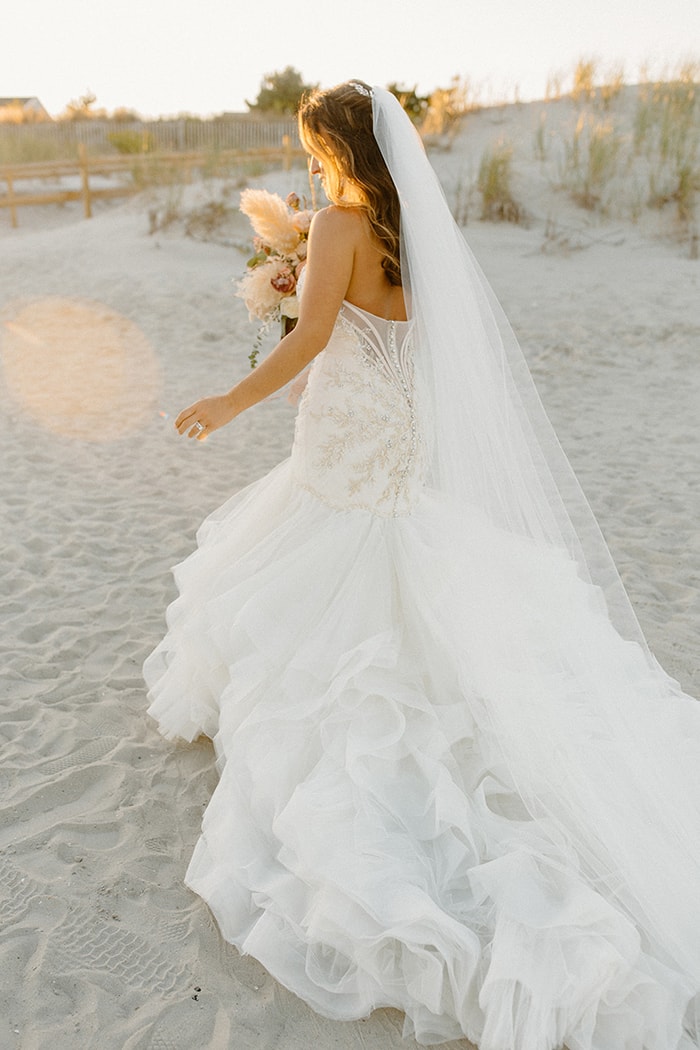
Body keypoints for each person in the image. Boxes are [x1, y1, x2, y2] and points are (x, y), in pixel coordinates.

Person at [144, 81, 700, 1050]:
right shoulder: (415, 230)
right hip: (393, 429)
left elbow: (315, 336)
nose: (307, 157)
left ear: (336, 146)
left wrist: (229, 399)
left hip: (346, 428)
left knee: (317, 560)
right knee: (383, 542)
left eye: (313, 143)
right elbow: (418, 346)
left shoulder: (337, 226)